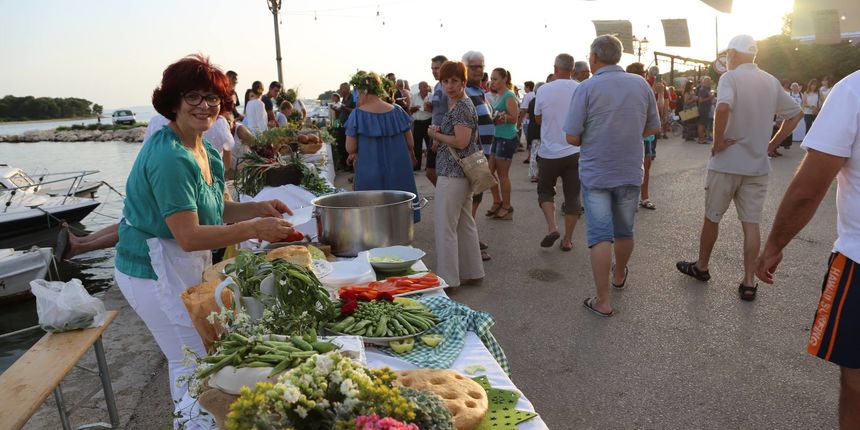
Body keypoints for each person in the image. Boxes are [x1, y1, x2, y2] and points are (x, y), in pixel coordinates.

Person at [114, 54, 296, 404]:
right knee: (190, 359)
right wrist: (254, 227)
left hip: (179, 261)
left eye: (213, 98)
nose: (205, 105)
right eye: (193, 96)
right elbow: (189, 235)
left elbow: (215, 209)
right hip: (150, 269)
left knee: (200, 354)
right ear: (174, 102)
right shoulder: (170, 157)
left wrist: (257, 208)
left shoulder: (204, 149)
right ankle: (193, 422)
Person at [755, 70, 860, 430]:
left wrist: (774, 245)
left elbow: (808, 189)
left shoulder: (853, 90)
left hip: (859, 261)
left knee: (856, 383)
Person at [675, 34, 803, 301]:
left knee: (712, 216)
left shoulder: (730, 78)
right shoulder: (769, 81)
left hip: (727, 162)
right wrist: (771, 143)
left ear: (733, 54)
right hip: (757, 164)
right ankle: (747, 282)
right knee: (751, 223)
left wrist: (718, 141)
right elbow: (795, 114)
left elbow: (722, 108)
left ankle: (702, 267)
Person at [564, 35, 661, 317]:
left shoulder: (587, 87)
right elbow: (653, 126)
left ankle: (603, 300)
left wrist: (594, 137)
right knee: (624, 230)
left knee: (599, 236)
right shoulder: (641, 84)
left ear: (594, 58)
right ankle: (619, 275)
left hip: (596, 172)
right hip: (630, 170)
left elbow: (571, 136)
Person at [426, 61, 485, 287]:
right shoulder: (460, 103)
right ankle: (473, 272)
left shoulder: (460, 106)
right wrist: (441, 132)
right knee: (464, 224)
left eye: (454, 81)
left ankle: (448, 280)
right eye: (445, 81)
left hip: (453, 173)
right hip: (461, 173)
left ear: (463, 81)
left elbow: (462, 141)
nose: (449, 86)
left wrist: (437, 135)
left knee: (446, 227)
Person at [345, 71, 420, 222]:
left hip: (369, 168)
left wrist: (352, 154)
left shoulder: (357, 114)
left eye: (358, 92)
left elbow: (350, 147)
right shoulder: (397, 111)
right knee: (400, 207)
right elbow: (410, 142)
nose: (357, 96)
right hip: (399, 167)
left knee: (372, 214)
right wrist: (412, 156)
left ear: (364, 91)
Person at [534, 54, 581, 251]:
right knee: (572, 197)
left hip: (549, 152)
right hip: (575, 151)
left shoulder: (544, 89)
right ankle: (568, 240)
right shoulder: (580, 87)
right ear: (573, 69)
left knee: (545, 190)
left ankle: (552, 227)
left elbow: (537, 118)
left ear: (555, 68)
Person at [462, 50, 495, 261]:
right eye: (473, 66)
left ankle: (469, 237)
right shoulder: (463, 91)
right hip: (471, 156)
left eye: (481, 66)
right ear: (464, 67)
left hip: (483, 154)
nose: (479, 70)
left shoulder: (478, 91)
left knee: (476, 197)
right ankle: (468, 242)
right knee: (470, 198)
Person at [484, 68, 519, 221]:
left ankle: (507, 206)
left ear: (505, 79)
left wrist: (501, 117)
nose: (493, 81)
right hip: (497, 136)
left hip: (507, 137)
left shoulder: (509, 95)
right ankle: (497, 201)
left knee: (502, 175)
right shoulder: (498, 95)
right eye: (492, 78)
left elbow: (514, 118)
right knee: (488, 172)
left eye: (496, 78)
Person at [626, 63, 658, 210]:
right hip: (635, 135)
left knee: (645, 166)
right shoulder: (627, 90)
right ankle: (636, 198)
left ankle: (643, 197)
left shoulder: (646, 89)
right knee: (635, 167)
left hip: (645, 135)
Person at [428, 55, 450, 186]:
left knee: (437, 171)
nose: (433, 71)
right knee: (431, 171)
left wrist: (438, 136)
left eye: (437, 68)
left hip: (442, 133)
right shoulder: (437, 86)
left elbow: (450, 112)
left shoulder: (449, 86)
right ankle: (445, 194)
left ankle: (447, 195)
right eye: (432, 68)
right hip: (434, 130)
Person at [331, 82, 355, 171]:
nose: (340, 90)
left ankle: (350, 166)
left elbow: (355, 111)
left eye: (342, 88)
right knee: (341, 145)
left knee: (348, 147)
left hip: (349, 126)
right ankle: (345, 165)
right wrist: (336, 110)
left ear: (347, 89)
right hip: (341, 126)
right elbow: (340, 114)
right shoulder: (344, 99)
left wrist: (343, 107)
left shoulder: (352, 98)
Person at [409, 81, 433, 171]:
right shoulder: (414, 96)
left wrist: (430, 107)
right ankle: (417, 166)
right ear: (419, 88)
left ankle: (430, 166)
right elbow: (410, 110)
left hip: (428, 121)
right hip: (418, 122)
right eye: (423, 87)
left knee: (429, 144)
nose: (425, 88)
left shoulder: (431, 96)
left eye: (426, 87)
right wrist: (416, 108)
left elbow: (435, 109)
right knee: (417, 145)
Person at [526, 81, 544, 183]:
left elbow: (528, 115)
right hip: (539, 130)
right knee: (537, 154)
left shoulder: (532, 101)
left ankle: (534, 174)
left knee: (534, 153)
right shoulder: (541, 101)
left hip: (532, 129)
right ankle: (535, 175)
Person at [519, 81, 535, 165]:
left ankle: (530, 157)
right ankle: (531, 156)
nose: (524, 88)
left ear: (528, 87)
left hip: (527, 121)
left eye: (525, 87)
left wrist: (519, 120)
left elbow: (524, 109)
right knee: (532, 140)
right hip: (533, 121)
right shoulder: (534, 94)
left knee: (529, 140)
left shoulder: (527, 95)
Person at [697, 77, 714, 144]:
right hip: (703, 109)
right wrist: (710, 97)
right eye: (709, 81)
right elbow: (700, 100)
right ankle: (701, 139)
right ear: (705, 82)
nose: (710, 83)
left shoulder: (706, 89)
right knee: (701, 124)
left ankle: (702, 138)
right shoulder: (703, 89)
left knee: (703, 124)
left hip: (706, 109)